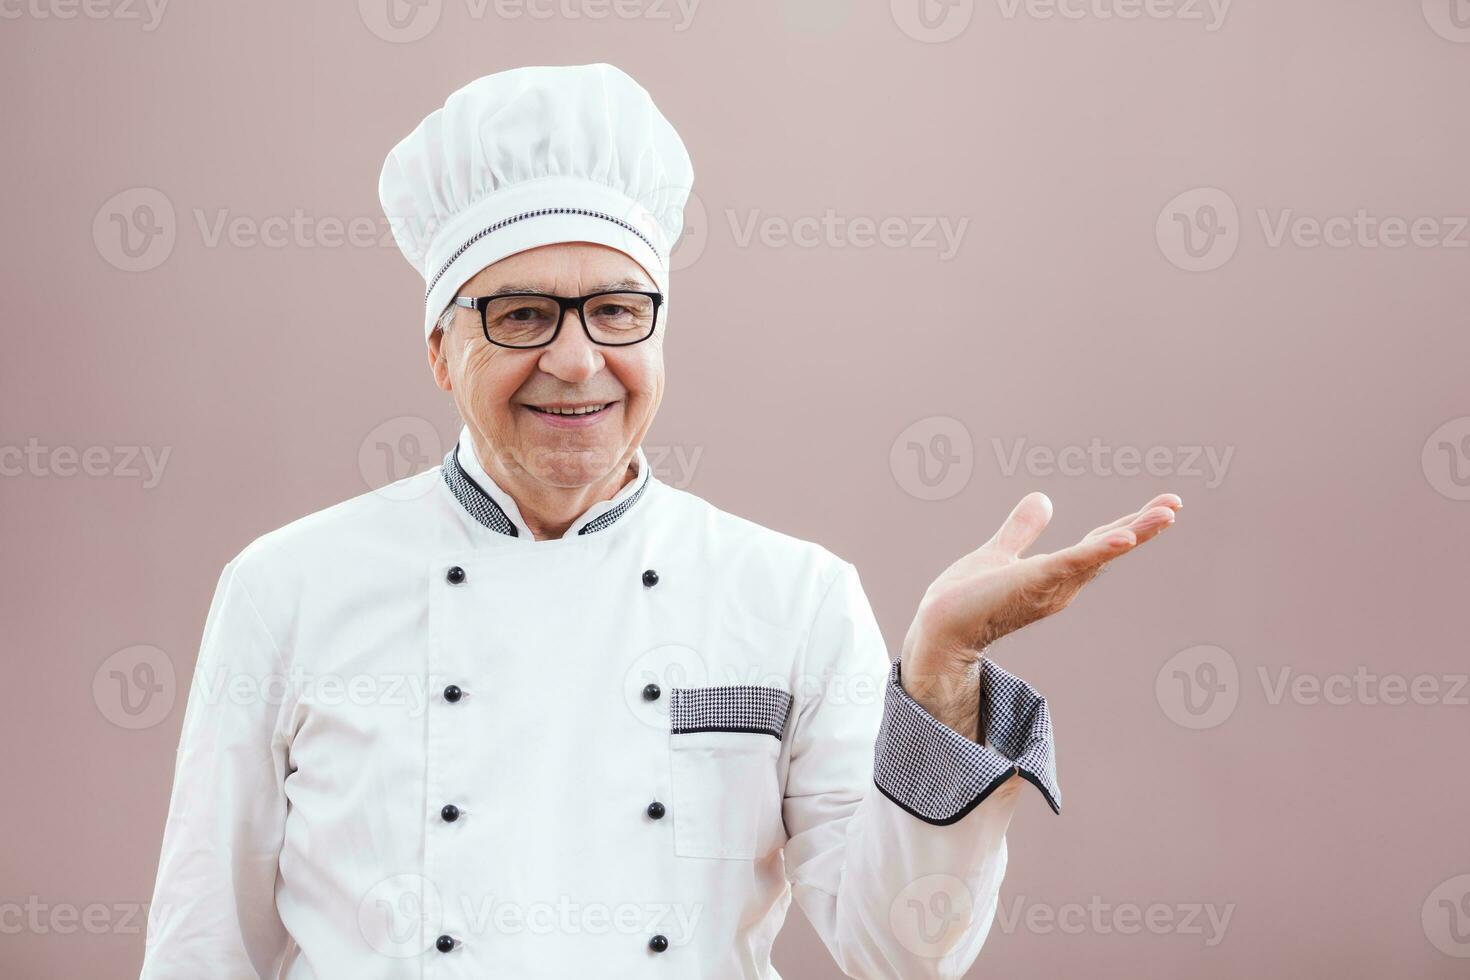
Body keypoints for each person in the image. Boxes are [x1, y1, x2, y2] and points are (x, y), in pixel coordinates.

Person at [138, 62, 1181, 979]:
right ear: (439, 347)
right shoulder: (288, 588)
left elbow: (905, 950)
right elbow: (202, 949)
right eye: (521, 313)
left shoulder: (792, 594)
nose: (578, 359)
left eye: (618, 308)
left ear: (659, 327)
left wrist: (944, 667)